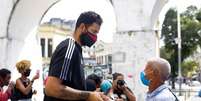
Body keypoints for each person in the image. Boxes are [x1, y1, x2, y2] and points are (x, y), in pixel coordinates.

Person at [44, 11, 104, 101]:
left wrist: (94, 94)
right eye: (94, 32)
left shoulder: (77, 50)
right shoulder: (69, 47)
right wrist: (88, 96)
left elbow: (73, 86)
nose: (95, 37)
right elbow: (52, 88)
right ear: (83, 27)